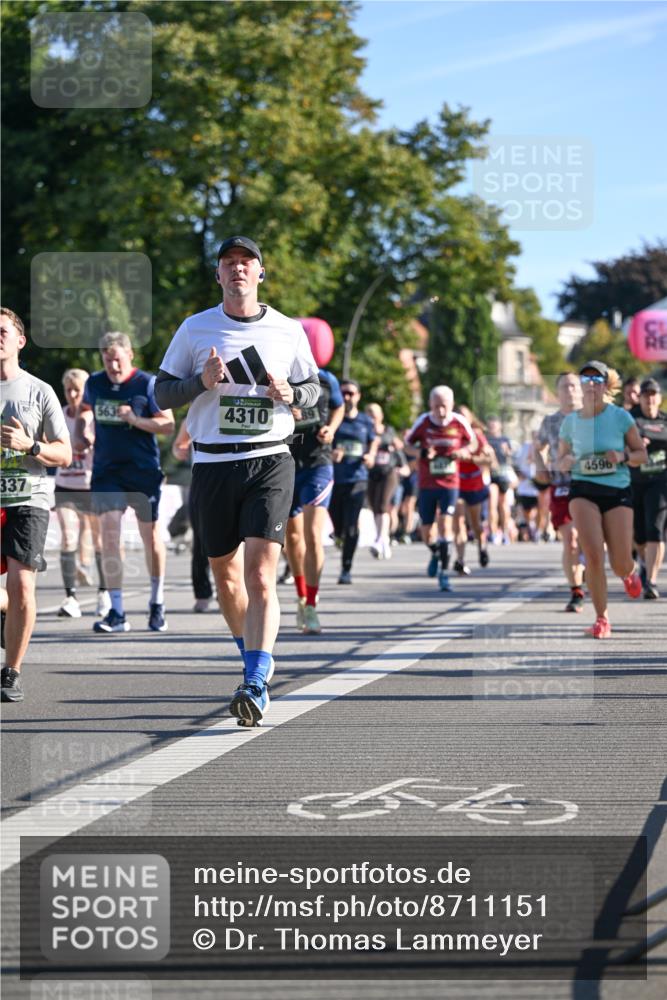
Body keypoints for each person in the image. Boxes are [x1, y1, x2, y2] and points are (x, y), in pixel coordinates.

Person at [155, 235, 320, 726]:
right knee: (226, 577)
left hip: (270, 458)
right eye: (229, 263)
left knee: (260, 574)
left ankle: (256, 680)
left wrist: (291, 391)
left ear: (261, 273)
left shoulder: (288, 331)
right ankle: (250, 658)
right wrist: (199, 384)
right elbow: (162, 394)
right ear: (219, 275)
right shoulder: (194, 328)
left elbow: (314, 392)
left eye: (247, 263)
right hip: (212, 463)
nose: (238, 270)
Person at [81, 331, 175, 634]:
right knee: (109, 537)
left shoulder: (146, 383)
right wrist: (84, 430)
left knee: (150, 537)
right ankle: (117, 610)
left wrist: (135, 420)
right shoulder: (94, 383)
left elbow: (168, 424)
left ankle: (157, 601)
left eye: (117, 360)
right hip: (107, 470)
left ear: (130, 355)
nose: (113, 367)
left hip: (142, 470)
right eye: (107, 361)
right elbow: (85, 411)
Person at [0, 307, 72, 702]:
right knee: (9, 591)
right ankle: (6, 612)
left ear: (20, 340)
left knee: (22, 581)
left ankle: (11, 671)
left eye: (3, 331)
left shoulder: (39, 391)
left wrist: (31, 445)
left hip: (29, 496)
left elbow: (66, 454)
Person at [557, 361, 647, 638]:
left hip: (616, 491)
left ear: (606, 385)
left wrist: (622, 457)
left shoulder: (620, 417)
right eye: (586, 379)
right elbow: (560, 461)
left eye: (598, 380)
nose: (591, 384)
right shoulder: (570, 422)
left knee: (620, 560)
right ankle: (602, 619)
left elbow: (640, 454)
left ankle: (629, 573)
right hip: (583, 490)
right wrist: (567, 460)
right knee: (594, 554)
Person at [285, 343, 344, 634]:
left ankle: (311, 604)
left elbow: (339, 406)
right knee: (292, 538)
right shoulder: (279, 374)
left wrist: (331, 428)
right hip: (285, 462)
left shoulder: (326, 379)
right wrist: (286, 414)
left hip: (318, 461)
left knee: (312, 535)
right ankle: (299, 594)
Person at [405, 386, 475, 592]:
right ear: (430, 405)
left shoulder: (459, 422)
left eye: (444, 406)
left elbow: (472, 444)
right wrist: (422, 452)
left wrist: (463, 452)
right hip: (427, 484)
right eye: (436, 407)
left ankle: (444, 574)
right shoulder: (423, 422)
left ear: (451, 405)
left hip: (450, 483)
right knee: (427, 532)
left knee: (445, 524)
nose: (441, 412)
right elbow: (407, 445)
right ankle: (436, 552)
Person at [53, 368, 110, 619]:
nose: (73, 394)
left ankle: (104, 593)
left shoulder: (94, 416)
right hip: (65, 485)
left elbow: (108, 448)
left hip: (91, 486)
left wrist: (91, 443)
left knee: (98, 541)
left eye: (78, 390)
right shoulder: (59, 416)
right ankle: (70, 597)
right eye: (69, 390)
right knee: (67, 538)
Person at [535, 371, 585, 612]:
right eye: (565, 387)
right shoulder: (551, 422)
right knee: (571, 540)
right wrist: (541, 467)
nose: (570, 391)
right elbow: (538, 448)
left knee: (591, 540)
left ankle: (586, 567)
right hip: (562, 485)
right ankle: (576, 591)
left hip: (592, 485)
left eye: (574, 386)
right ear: (558, 393)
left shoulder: (592, 418)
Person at [330, 381, 378, 584]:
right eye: (344, 393)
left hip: (357, 478)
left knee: (351, 526)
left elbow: (373, 440)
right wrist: (332, 452)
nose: (347, 397)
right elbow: (325, 439)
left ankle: (346, 568)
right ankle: (339, 536)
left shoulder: (365, 421)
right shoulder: (333, 418)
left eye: (351, 393)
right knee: (339, 526)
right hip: (335, 478)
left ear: (358, 396)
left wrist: (371, 455)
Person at [171, 421, 214, 612]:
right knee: (201, 541)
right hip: (203, 481)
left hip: (239, 478)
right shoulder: (197, 409)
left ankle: (231, 588)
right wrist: (179, 449)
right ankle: (202, 593)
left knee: (238, 541)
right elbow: (179, 444)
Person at [629, 377, 667, 599]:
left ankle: (651, 581)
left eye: (653, 394)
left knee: (656, 528)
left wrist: (650, 438)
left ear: (659, 398)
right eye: (646, 395)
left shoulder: (665, 419)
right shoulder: (631, 419)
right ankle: (643, 562)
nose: (650, 399)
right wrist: (633, 444)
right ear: (640, 398)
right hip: (635, 482)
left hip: (660, 481)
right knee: (639, 535)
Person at [452, 405, 493, 574]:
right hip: (456, 484)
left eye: (464, 416)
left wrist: (470, 458)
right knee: (458, 522)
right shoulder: (451, 436)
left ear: (470, 419)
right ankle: (460, 560)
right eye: (458, 416)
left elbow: (488, 459)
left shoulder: (477, 436)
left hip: (474, 483)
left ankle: (482, 546)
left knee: (475, 523)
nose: (461, 419)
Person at [365, 404, 409, 560]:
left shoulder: (388, 431)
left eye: (374, 414)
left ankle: (378, 540)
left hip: (389, 473)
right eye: (369, 413)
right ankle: (383, 539)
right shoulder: (365, 431)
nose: (372, 417)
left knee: (383, 505)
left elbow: (396, 447)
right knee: (375, 507)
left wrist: (403, 466)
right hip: (372, 473)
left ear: (381, 416)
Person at [486, 416, 516, 544]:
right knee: (491, 504)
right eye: (490, 425)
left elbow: (511, 457)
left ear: (499, 426)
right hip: (490, 474)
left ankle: (505, 533)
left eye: (494, 424)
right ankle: (493, 533)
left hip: (503, 474)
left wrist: (507, 451)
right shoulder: (486, 439)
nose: (492, 427)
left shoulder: (505, 439)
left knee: (503, 505)